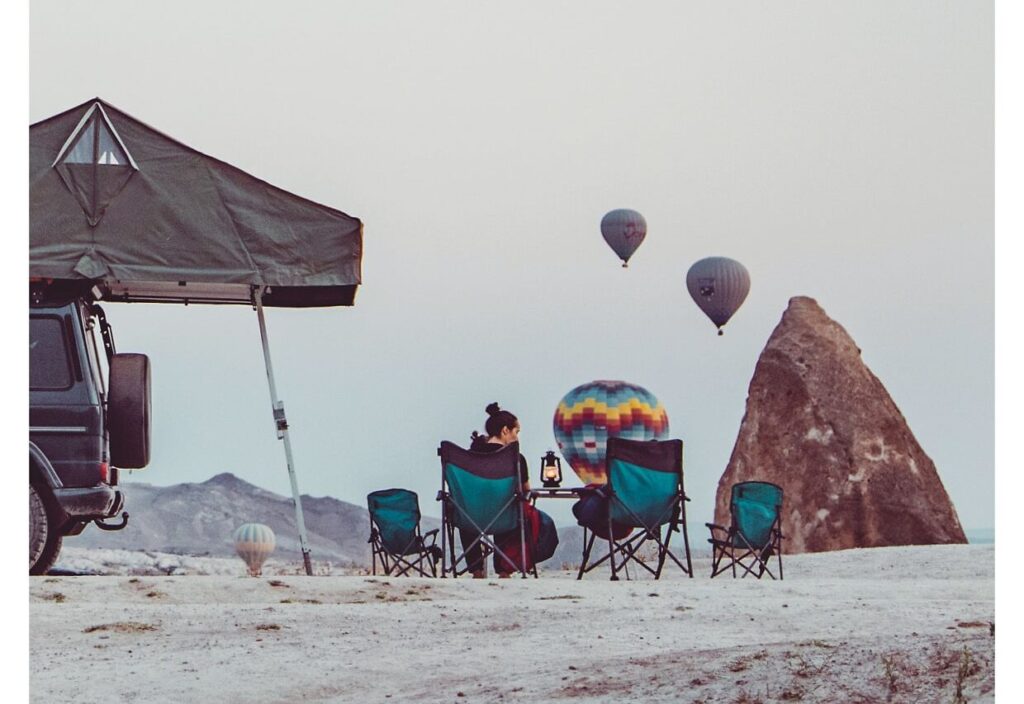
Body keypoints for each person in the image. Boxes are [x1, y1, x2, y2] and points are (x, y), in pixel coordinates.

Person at [462, 402, 530, 578]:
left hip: (469, 518)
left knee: (464, 506)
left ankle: (476, 570)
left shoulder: (466, 458)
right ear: (505, 430)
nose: (518, 438)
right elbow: (526, 490)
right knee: (508, 505)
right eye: (517, 432)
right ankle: (504, 570)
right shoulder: (516, 458)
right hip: (504, 518)